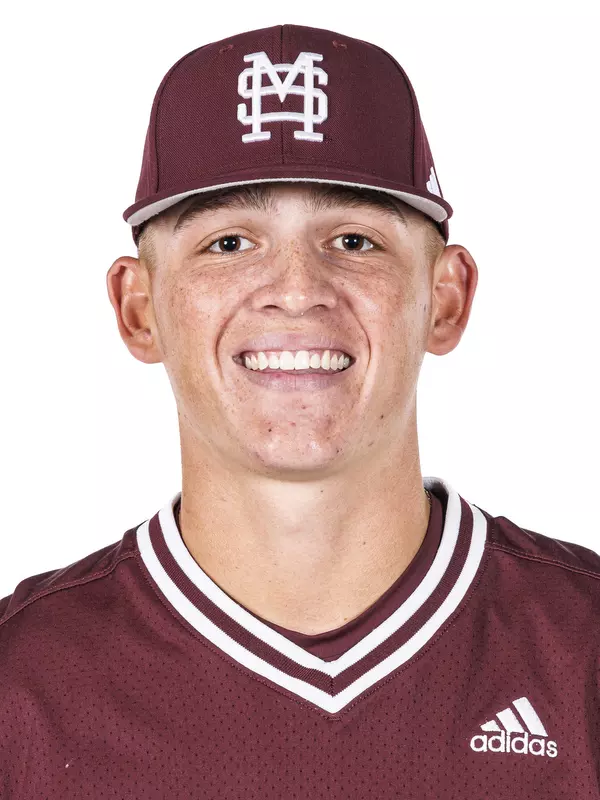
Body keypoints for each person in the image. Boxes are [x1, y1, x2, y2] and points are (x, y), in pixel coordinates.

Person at [1, 23, 598, 799]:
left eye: (353, 240)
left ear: (445, 301)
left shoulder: (583, 655)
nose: (295, 287)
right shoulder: (22, 688)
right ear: (139, 308)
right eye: (228, 243)